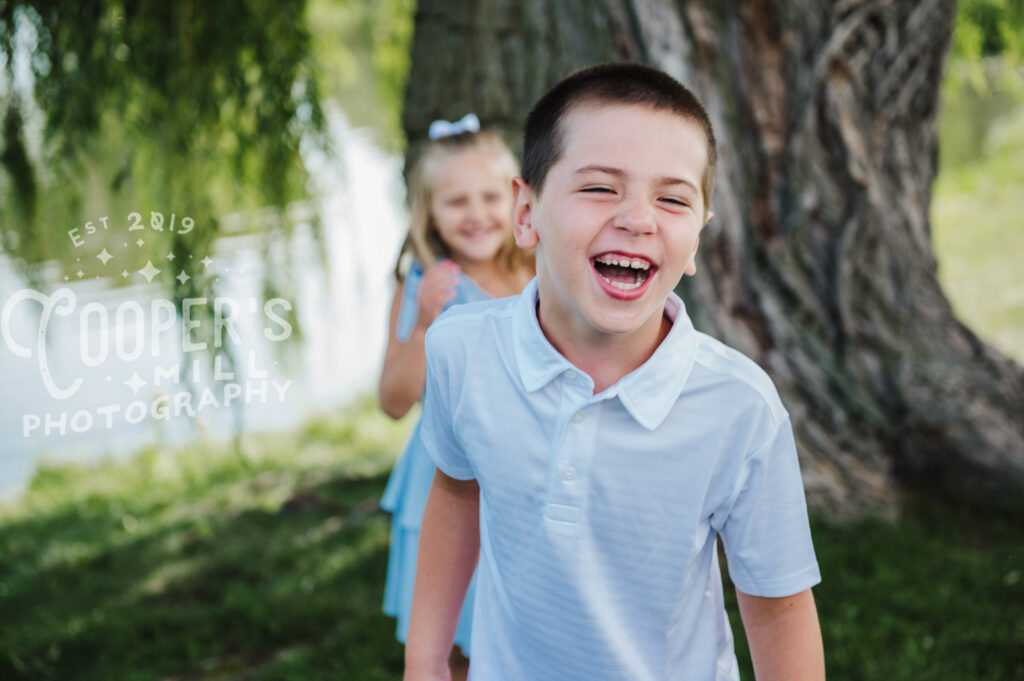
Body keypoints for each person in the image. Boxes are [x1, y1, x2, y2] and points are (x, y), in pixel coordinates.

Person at [404, 63, 825, 681]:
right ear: (527, 213)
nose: (638, 218)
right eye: (601, 187)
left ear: (697, 241)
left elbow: (778, 607)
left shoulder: (739, 408)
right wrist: (425, 656)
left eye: (673, 198)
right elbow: (455, 492)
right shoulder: (460, 353)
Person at [378, 115, 534, 681]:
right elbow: (393, 401)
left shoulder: (539, 274)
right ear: (429, 214)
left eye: (490, 196)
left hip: (524, 470)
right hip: (445, 477)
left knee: (529, 625)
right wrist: (422, 326)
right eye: (456, 201)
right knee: (455, 638)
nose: (475, 214)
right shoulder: (422, 284)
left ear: (519, 199)